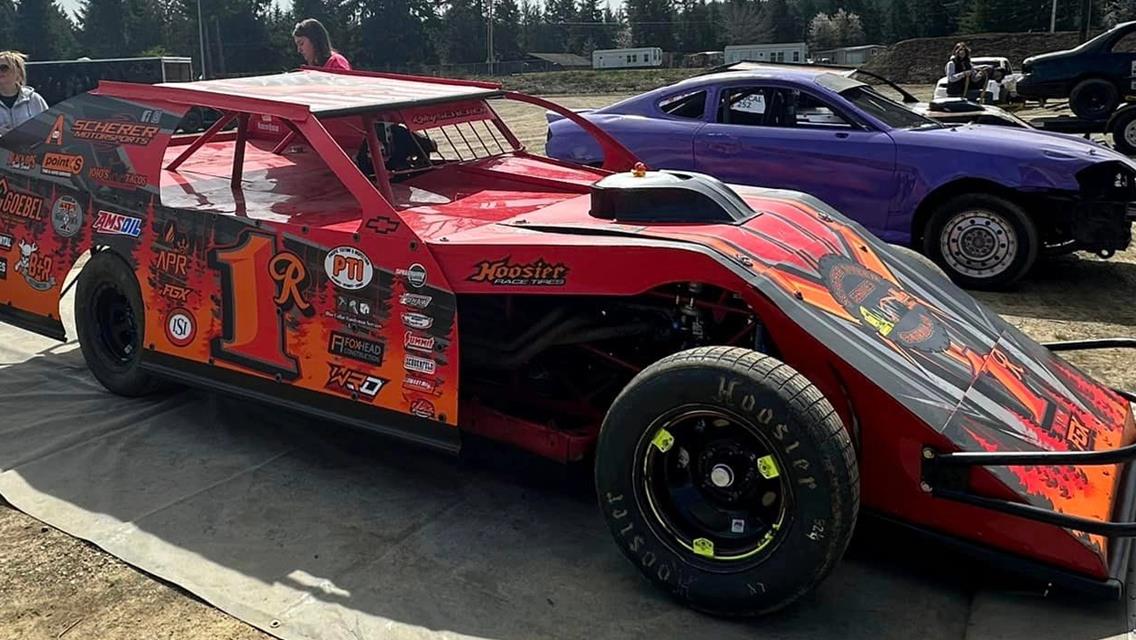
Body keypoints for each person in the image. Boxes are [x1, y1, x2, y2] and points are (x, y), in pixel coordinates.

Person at [0, 51, 48, 137]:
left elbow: (48, 130)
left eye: (4, 68)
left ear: (18, 72)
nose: (0, 71)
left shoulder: (34, 99)